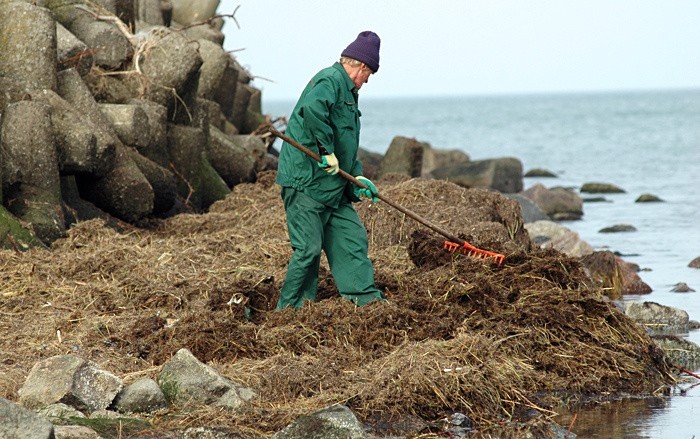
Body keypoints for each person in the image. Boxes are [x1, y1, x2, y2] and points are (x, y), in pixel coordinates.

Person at [275, 31, 386, 310]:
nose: (368, 80)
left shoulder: (349, 93)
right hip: (306, 184)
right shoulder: (330, 80)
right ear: (360, 66)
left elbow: (346, 143)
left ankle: (365, 301)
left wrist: (357, 177)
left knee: (352, 238)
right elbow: (313, 109)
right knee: (308, 251)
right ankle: (290, 311)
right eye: (369, 73)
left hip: (333, 188)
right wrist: (325, 151)